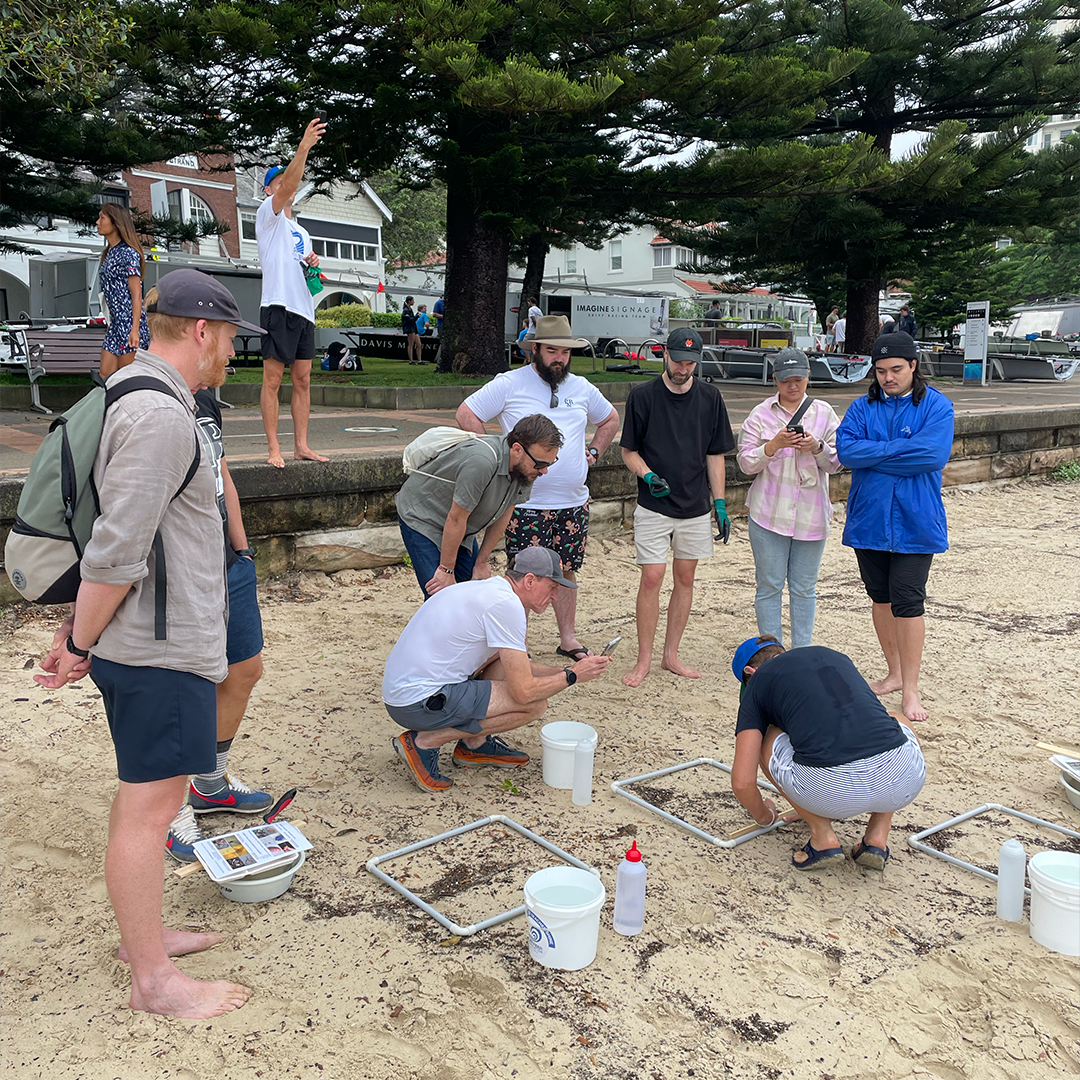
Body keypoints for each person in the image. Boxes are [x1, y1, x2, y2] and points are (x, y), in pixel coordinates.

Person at [34, 269, 262, 1017]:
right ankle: (153, 983)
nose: (233, 350)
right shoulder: (162, 415)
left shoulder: (144, 394)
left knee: (148, 800)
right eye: (231, 336)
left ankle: (148, 941)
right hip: (156, 646)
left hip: (155, 638)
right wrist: (78, 640)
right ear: (203, 331)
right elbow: (116, 550)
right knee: (150, 809)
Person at [456, 315, 620, 659]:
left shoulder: (582, 388)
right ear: (535, 349)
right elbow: (467, 413)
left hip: (573, 502)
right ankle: (518, 642)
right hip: (524, 502)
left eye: (565, 351)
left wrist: (593, 452)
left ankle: (568, 637)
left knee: (566, 569)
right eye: (551, 350)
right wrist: (497, 458)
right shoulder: (509, 383)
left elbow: (609, 418)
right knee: (523, 573)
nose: (558, 357)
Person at [382, 547, 613, 791]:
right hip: (417, 703)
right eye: (552, 587)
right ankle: (425, 741)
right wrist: (573, 676)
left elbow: (515, 668)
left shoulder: (489, 589)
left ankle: (475, 743)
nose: (555, 596)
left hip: (404, 693)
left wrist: (569, 668)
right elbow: (524, 692)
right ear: (530, 580)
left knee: (500, 663)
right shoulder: (507, 606)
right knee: (534, 705)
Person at [163, 386, 271, 862]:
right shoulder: (144, 400)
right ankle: (169, 808)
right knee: (180, 688)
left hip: (228, 562)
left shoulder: (203, 398)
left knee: (245, 668)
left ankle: (209, 781)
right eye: (228, 340)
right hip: (180, 569)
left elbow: (220, 468)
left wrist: (242, 549)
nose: (234, 356)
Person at [729, 635, 926, 871]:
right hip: (904, 780)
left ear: (750, 672)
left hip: (831, 790)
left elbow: (742, 783)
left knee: (764, 737)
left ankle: (822, 837)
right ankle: (877, 835)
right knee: (893, 720)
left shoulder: (759, 681)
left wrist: (765, 816)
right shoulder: (833, 656)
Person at [836, 331, 954, 724]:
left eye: (896, 370)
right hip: (869, 519)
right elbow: (847, 451)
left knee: (908, 600)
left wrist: (876, 454)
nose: (888, 377)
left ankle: (912, 688)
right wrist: (900, 451)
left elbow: (932, 455)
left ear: (914, 366)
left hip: (916, 521)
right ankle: (894, 672)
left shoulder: (937, 406)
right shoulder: (861, 406)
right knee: (880, 597)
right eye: (881, 370)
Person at [619, 327, 735, 687]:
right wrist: (647, 474)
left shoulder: (711, 397)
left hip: (695, 504)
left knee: (686, 577)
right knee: (652, 576)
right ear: (665, 356)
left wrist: (719, 502)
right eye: (679, 361)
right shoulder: (642, 397)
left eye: (691, 363)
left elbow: (715, 454)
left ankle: (671, 655)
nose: (685, 369)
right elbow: (628, 451)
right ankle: (643, 660)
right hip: (654, 502)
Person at [736, 348, 842, 648]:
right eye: (785, 381)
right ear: (775, 380)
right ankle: (772, 651)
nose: (793, 387)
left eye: (799, 379)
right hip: (769, 511)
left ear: (808, 377)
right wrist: (773, 446)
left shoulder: (824, 412)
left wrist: (816, 446)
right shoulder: (760, 414)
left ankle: (802, 651)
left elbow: (837, 463)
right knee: (769, 585)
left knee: (804, 588)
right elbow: (745, 464)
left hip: (812, 513)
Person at [396, 414, 563, 598]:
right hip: (423, 518)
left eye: (549, 464)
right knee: (441, 595)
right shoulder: (482, 462)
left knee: (473, 593)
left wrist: (481, 561)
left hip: (460, 527)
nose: (544, 471)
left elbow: (504, 514)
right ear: (517, 449)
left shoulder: (527, 468)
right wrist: (446, 569)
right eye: (540, 464)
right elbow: (456, 518)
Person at [257, 116, 329, 468]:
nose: (286, 185)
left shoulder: (300, 229)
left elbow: (303, 268)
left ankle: (301, 445)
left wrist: (312, 262)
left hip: (303, 308)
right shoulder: (266, 216)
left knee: (302, 380)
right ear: (270, 189)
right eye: (279, 182)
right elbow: (291, 184)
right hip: (278, 304)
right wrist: (304, 147)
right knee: (273, 379)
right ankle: (274, 448)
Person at [96, 204, 150, 379]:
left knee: (126, 377)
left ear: (116, 222)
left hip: (129, 323)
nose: (97, 222)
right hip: (115, 324)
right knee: (105, 375)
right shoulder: (109, 253)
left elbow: (136, 294)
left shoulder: (128, 253)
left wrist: (134, 329)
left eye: (102, 218)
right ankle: (110, 406)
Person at [402, 295, 421, 364]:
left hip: (414, 328)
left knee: (419, 344)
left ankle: (419, 360)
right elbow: (409, 320)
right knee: (411, 344)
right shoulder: (406, 310)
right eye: (413, 300)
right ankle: (411, 360)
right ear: (409, 301)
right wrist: (416, 316)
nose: (414, 302)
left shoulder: (410, 309)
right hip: (410, 329)